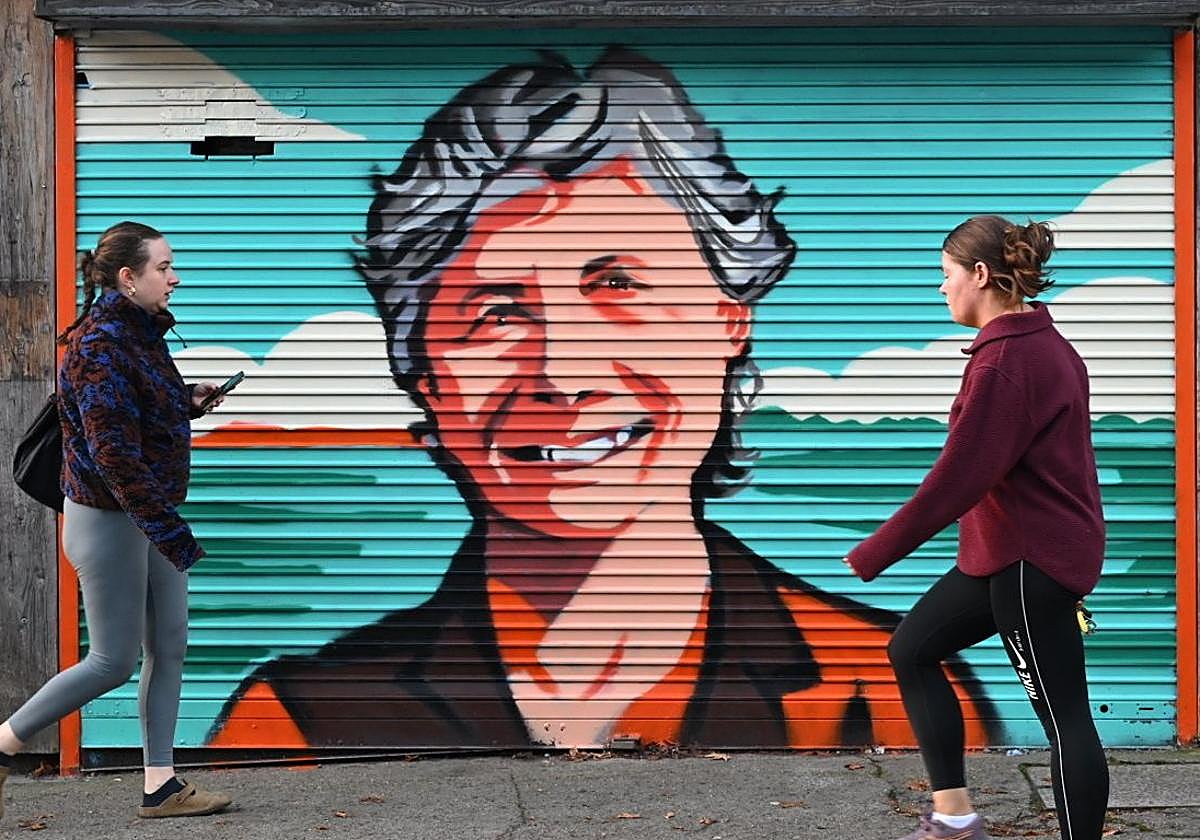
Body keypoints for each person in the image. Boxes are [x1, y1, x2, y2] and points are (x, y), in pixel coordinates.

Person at [210, 48, 997, 752]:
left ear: (729, 321)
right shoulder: (296, 719)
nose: (562, 371)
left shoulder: (877, 692)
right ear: (422, 372)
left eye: (617, 285)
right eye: (494, 312)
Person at [845, 216, 1109, 840]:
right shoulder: (1040, 345)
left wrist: (874, 552)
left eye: (946, 275)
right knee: (912, 649)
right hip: (1004, 553)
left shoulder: (1007, 365)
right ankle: (956, 819)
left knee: (1065, 717)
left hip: (1031, 561)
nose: (941, 289)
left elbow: (959, 477)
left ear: (981, 276)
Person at [0, 222, 233, 820]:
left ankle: (161, 784)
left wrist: (189, 399)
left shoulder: (139, 335)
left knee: (171, 643)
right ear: (129, 278)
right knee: (112, 660)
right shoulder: (100, 345)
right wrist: (171, 530)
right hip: (110, 520)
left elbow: (139, 406)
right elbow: (113, 455)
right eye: (163, 267)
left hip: (147, 513)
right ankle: (4, 742)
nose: (175, 276)